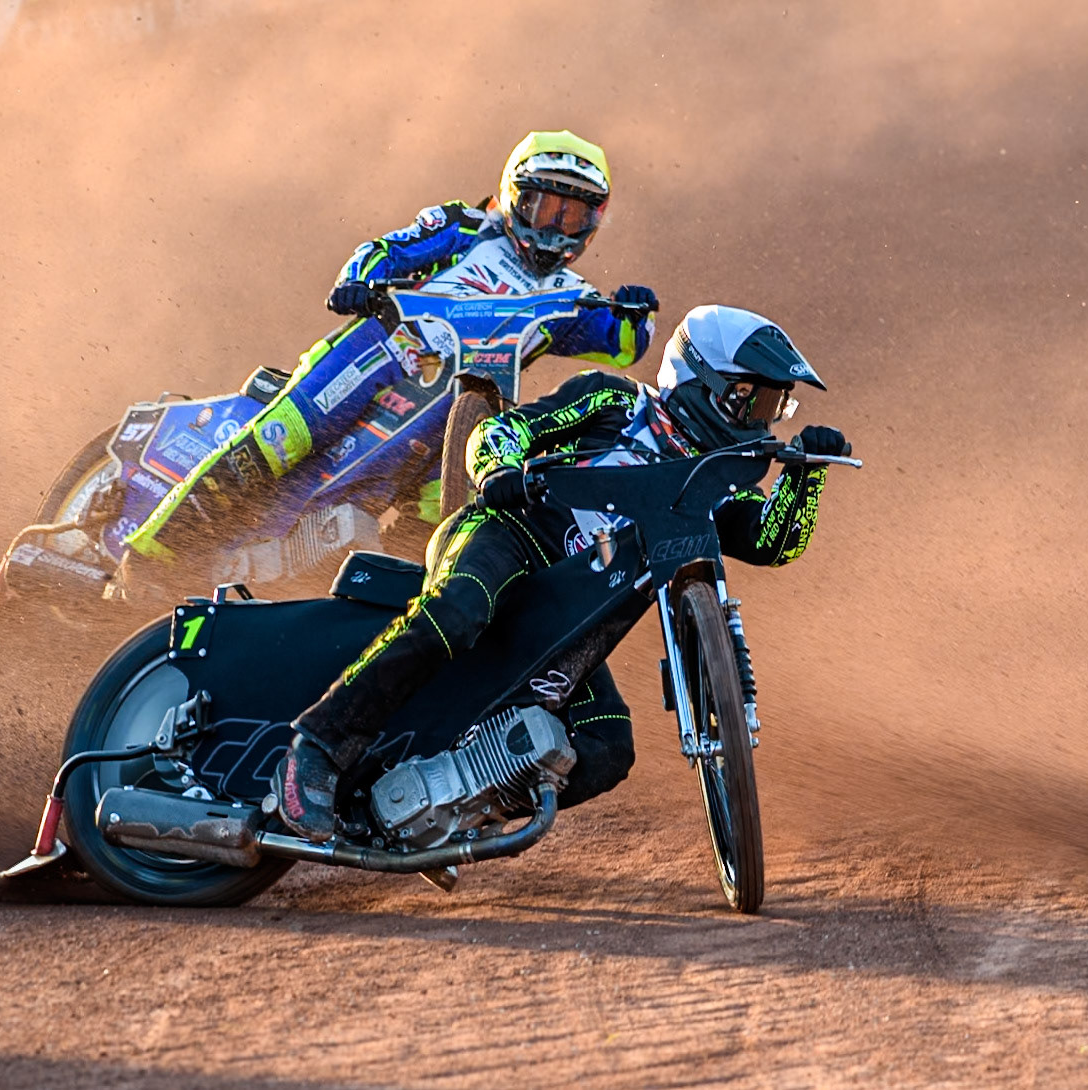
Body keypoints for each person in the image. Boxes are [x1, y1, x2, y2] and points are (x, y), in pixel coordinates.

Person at [273, 304, 852, 842]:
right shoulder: (617, 403)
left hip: (571, 620)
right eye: (755, 401)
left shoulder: (711, 481)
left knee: (608, 745)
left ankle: (453, 807)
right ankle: (316, 749)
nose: (765, 419)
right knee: (460, 609)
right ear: (707, 384)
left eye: (778, 406)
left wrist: (808, 476)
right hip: (511, 536)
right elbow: (502, 430)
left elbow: (773, 542)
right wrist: (499, 468)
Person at [121, 130, 658, 562]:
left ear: (594, 222)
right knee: (282, 439)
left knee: (441, 521)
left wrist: (637, 314)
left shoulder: (572, 297)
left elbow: (620, 343)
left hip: (454, 416)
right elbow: (388, 249)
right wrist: (359, 278)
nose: (557, 227)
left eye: (574, 215)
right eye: (546, 208)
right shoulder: (467, 227)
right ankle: (147, 555)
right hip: (383, 353)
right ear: (516, 197)